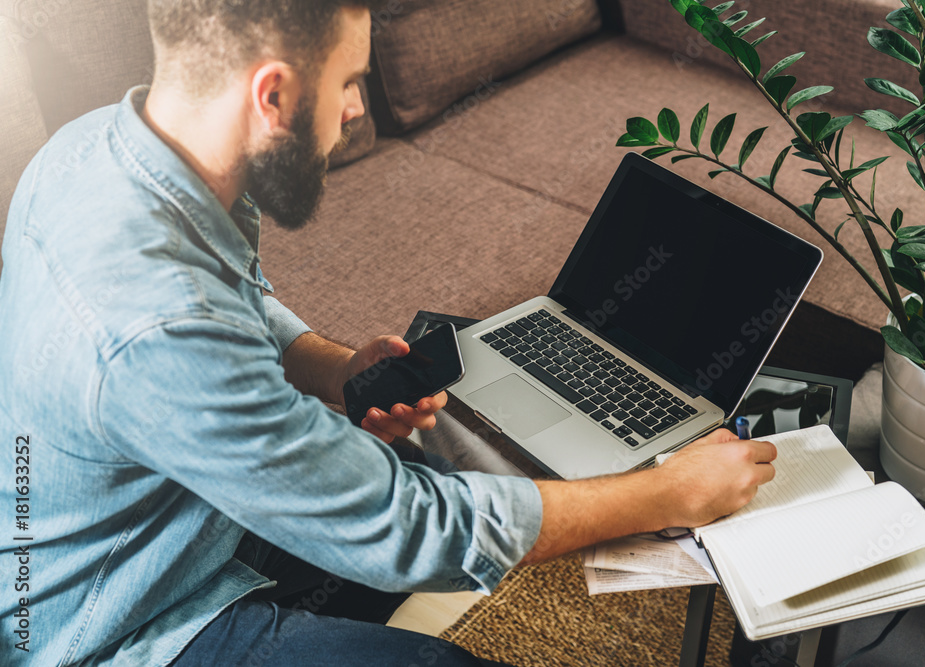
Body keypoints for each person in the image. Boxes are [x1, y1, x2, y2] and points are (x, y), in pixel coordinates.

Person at [0, 1, 777, 665]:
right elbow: (409, 529)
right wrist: (660, 493)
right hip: (113, 623)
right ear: (271, 95)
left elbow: (239, 306)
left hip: (164, 515)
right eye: (346, 82)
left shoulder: (97, 146)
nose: (355, 111)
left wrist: (332, 370)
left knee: (415, 469)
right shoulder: (158, 325)